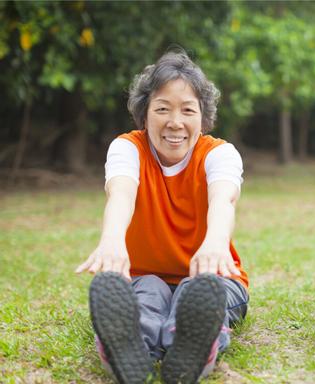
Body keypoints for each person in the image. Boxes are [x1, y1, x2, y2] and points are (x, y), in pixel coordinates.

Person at [76, 49, 249, 384]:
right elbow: (121, 194)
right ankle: (126, 347)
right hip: (145, 274)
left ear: (203, 117)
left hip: (213, 277)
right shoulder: (127, 148)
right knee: (147, 295)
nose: (175, 122)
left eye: (188, 110)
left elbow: (223, 199)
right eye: (162, 109)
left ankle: (197, 342)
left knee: (196, 292)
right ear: (144, 114)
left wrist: (215, 243)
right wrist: (111, 240)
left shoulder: (220, 154)